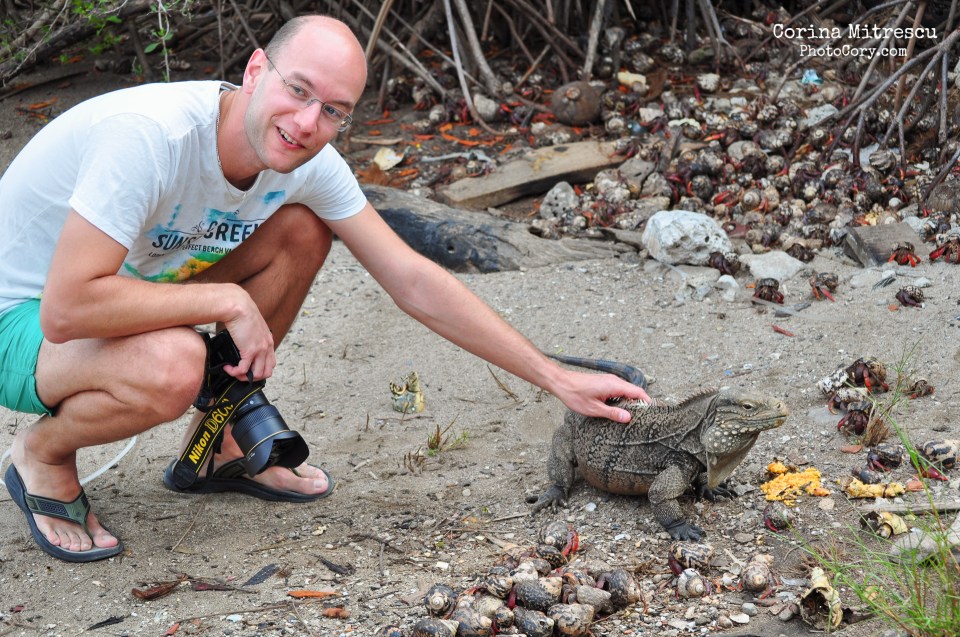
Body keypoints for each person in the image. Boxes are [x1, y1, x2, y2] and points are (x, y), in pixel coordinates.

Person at [0, 15, 650, 562]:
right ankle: (44, 454)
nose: (307, 121)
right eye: (297, 90)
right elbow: (67, 308)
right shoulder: (153, 137)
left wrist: (555, 375)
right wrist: (227, 301)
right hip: (24, 314)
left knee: (304, 230)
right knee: (174, 362)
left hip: (127, 284)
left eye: (332, 110)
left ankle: (218, 439)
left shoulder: (306, 162)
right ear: (255, 71)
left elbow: (412, 278)